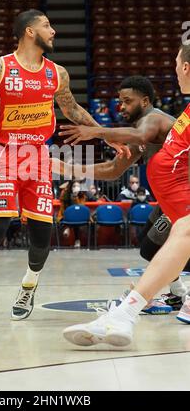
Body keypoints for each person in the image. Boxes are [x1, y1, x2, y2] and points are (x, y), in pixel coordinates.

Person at [0, 9, 130, 328]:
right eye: (47, 25)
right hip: (4, 155)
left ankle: (27, 288)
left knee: (42, 234)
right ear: (29, 32)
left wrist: (105, 134)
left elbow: (71, 108)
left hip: (38, 157)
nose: (53, 31)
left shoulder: (57, 73)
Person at [62, 43, 190, 347]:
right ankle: (128, 312)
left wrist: (98, 133)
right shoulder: (186, 112)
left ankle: (126, 313)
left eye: (175, 62)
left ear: (185, 67)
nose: (174, 69)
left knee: (175, 237)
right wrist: (64, 166)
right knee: (170, 241)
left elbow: (142, 137)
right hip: (175, 199)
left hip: (180, 195)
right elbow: (114, 167)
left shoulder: (154, 119)